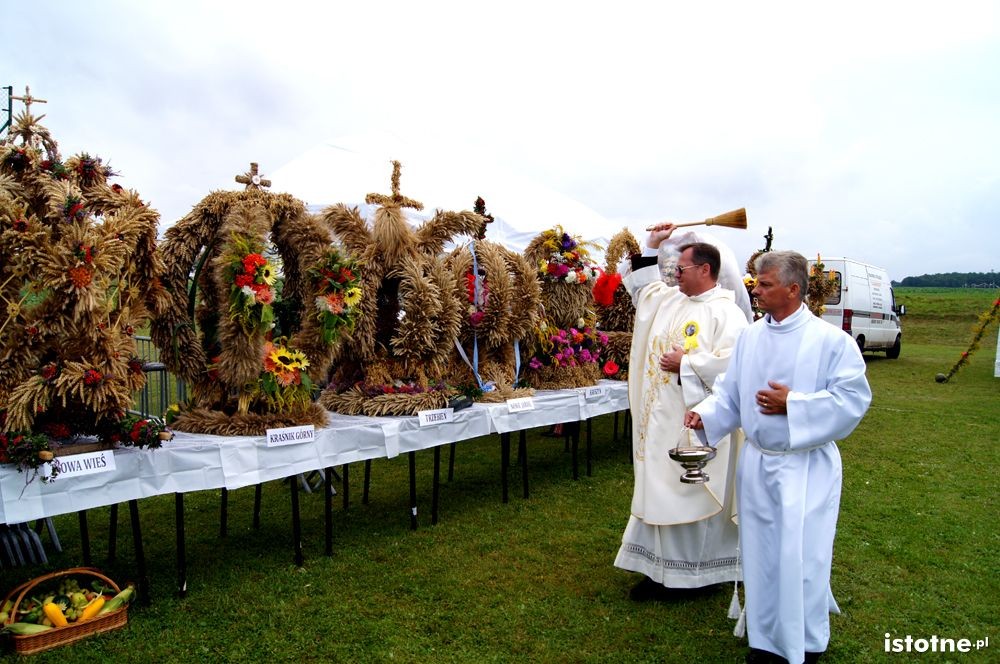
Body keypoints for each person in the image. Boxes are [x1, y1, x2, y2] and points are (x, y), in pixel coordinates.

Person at [684, 250, 872, 664]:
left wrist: (795, 404)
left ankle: (806, 642)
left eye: (765, 284)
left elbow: (853, 400)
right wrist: (707, 414)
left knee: (802, 557)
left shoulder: (830, 342)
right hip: (758, 464)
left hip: (805, 468)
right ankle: (766, 639)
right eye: (756, 282)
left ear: (793, 289)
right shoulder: (751, 337)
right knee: (761, 553)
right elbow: (730, 393)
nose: (756, 290)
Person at [614, 224, 749, 599]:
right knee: (659, 490)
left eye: (681, 269)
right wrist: (652, 245)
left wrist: (687, 364)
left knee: (688, 493)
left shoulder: (728, 315)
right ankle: (658, 570)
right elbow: (644, 289)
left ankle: (693, 576)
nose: (674, 274)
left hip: (697, 427)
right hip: (659, 423)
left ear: (705, 270)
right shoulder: (670, 300)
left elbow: (736, 368)